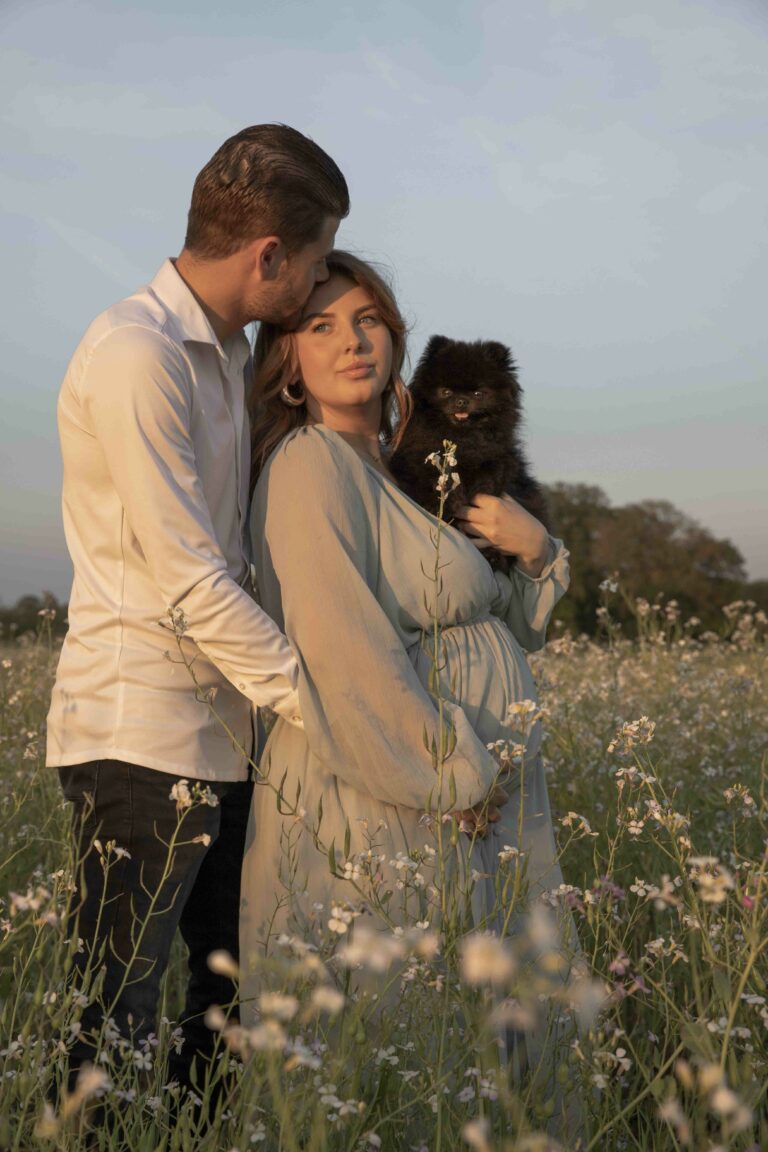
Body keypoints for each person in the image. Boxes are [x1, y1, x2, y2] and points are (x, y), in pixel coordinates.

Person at [46, 124, 348, 1094]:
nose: (309, 293)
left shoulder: (223, 354)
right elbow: (187, 578)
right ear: (268, 255)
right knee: (116, 1021)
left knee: (224, 1005)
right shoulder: (139, 354)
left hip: (228, 735)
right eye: (309, 267)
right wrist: (331, 712)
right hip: (140, 738)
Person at [241, 251, 576, 1108]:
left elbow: (505, 622)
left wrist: (539, 551)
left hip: (468, 784)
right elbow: (343, 649)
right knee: (397, 1040)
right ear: (287, 360)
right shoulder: (313, 463)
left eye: (368, 320)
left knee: (473, 1031)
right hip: (402, 784)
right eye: (321, 326)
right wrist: (449, 772)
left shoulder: (402, 469)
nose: (352, 341)